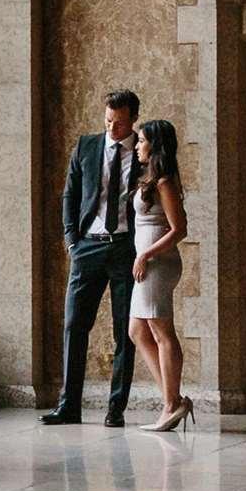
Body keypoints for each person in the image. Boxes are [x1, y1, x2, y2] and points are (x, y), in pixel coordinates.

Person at [44, 91, 145, 426]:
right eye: (107, 121)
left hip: (125, 250)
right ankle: (68, 405)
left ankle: (115, 409)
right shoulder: (87, 146)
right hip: (87, 246)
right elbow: (70, 193)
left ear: (133, 119)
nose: (111, 128)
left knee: (123, 332)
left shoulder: (145, 155)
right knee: (74, 325)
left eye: (118, 123)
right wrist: (72, 239)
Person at [126, 119, 194, 434]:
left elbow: (180, 229)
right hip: (149, 264)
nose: (137, 145)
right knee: (137, 331)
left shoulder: (165, 181)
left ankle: (171, 405)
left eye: (141, 140)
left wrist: (145, 255)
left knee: (161, 331)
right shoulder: (152, 178)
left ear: (155, 144)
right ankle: (173, 399)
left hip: (158, 265)